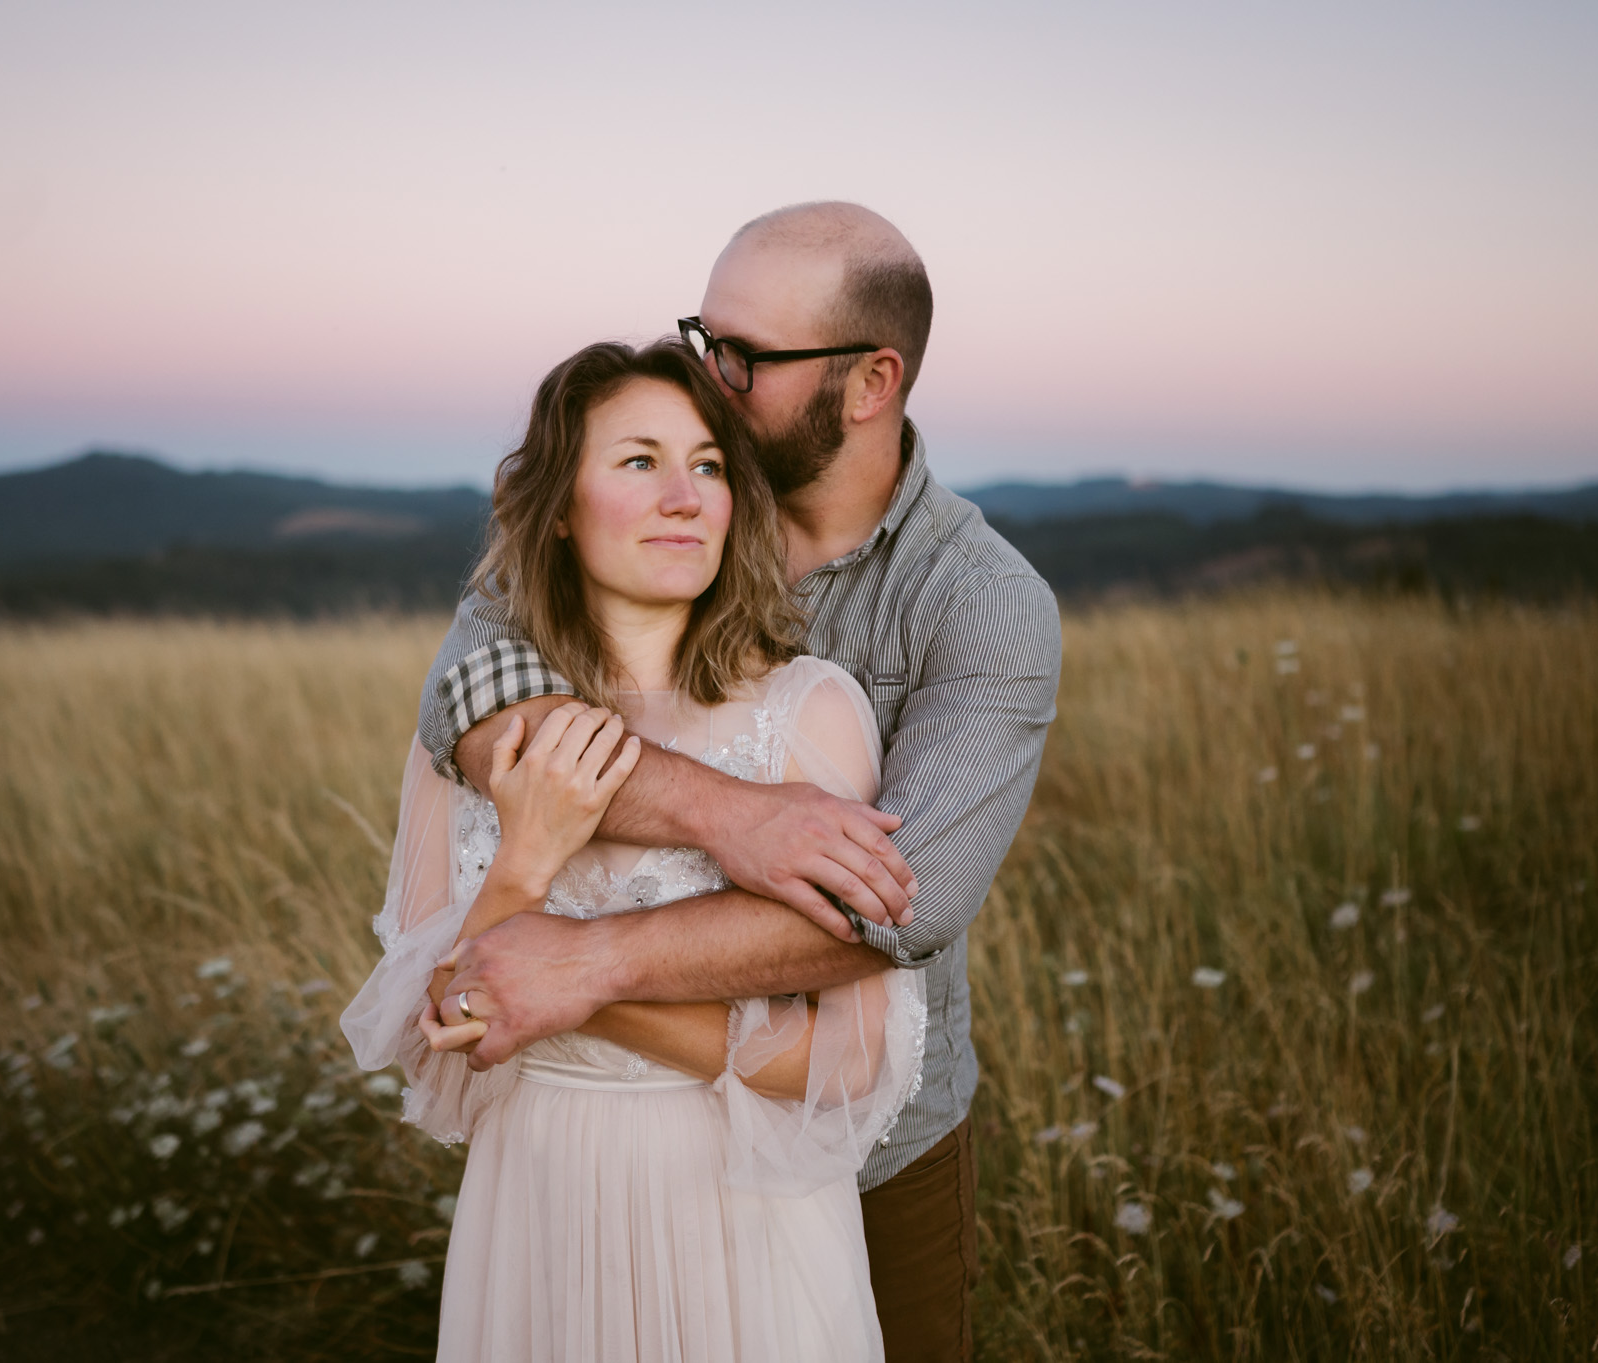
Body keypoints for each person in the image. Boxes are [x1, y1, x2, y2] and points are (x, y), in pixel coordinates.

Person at [418, 202, 1063, 1361]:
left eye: (747, 358)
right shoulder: (662, 504)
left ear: (870, 382)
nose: (709, 380)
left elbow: (886, 905)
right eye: (704, 336)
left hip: (874, 1144)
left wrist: (590, 962)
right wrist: (733, 813)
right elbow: (472, 707)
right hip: (597, 1149)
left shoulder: (979, 603)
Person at [343, 338, 925, 1361]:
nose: (682, 495)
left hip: (736, 1220)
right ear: (558, 506)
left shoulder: (807, 714)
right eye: (637, 461)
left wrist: (585, 984)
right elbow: (439, 1064)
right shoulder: (473, 736)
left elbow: (854, 1056)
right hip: (534, 1201)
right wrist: (523, 862)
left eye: (707, 466)